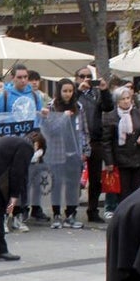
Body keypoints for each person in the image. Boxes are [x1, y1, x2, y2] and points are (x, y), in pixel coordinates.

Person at [46, 78, 88, 229]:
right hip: (57, 150)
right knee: (57, 184)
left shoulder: (78, 106)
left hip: (74, 150)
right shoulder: (51, 106)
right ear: (59, 91)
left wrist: (85, 149)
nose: (68, 94)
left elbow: (84, 129)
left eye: (70, 91)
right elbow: (49, 129)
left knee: (73, 185)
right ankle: (56, 215)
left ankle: (71, 214)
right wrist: (63, 117)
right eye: (65, 91)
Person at [102, 86, 140, 211]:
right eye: (122, 99)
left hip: (138, 157)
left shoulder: (139, 113)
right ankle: (124, 214)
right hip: (120, 159)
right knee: (123, 192)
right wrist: (109, 162)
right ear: (117, 101)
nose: (126, 101)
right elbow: (106, 141)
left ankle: (135, 213)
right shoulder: (110, 117)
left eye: (128, 98)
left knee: (137, 189)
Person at [75, 68, 113, 222]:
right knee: (74, 178)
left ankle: (93, 210)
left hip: (95, 140)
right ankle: (70, 210)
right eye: (82, 76)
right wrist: (78, 91)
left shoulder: (96, 94)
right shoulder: (73, 92)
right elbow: (69, 105)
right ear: (76, 78)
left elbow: (108, 107)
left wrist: (104, 90)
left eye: (89, 77)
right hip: (76, 140)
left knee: (96, 179)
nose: (86, 79)